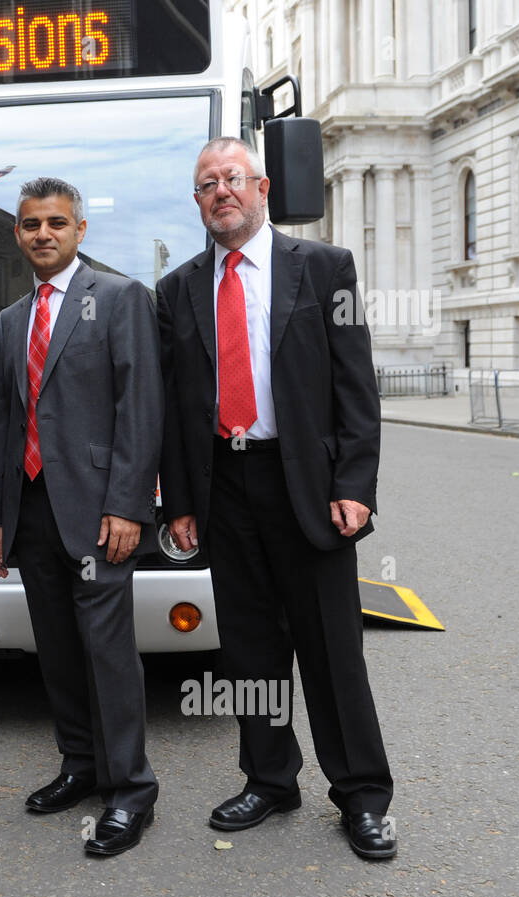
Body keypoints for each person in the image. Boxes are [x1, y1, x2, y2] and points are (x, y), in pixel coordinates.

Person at [156, 136, 396, 859]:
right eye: (206, 185)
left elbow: (357, 386)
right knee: (249, 650)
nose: (220, 191)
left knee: (331, 651)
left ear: (262, 189)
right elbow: (175, 406)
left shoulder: (325, 269)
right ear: (197, 202)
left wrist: (355, 485)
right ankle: (269, 777)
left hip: (310, 488)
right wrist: (180, 504)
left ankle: (361, 795)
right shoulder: (178, 289)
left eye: (232, 178)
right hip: (223, 488)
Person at [0, 177, 162, 856]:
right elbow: (4, 420)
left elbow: (139, 410)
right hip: (30, 512)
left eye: (57, 222)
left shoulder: (118, 299)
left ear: (80, 230)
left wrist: (127, 507)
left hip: (97, 511)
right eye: (31, 225)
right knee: (56, 650)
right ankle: (80, 764)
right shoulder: (9, 319)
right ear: (19, 234)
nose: (43, 234)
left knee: (108, 653)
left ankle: (130, 790)